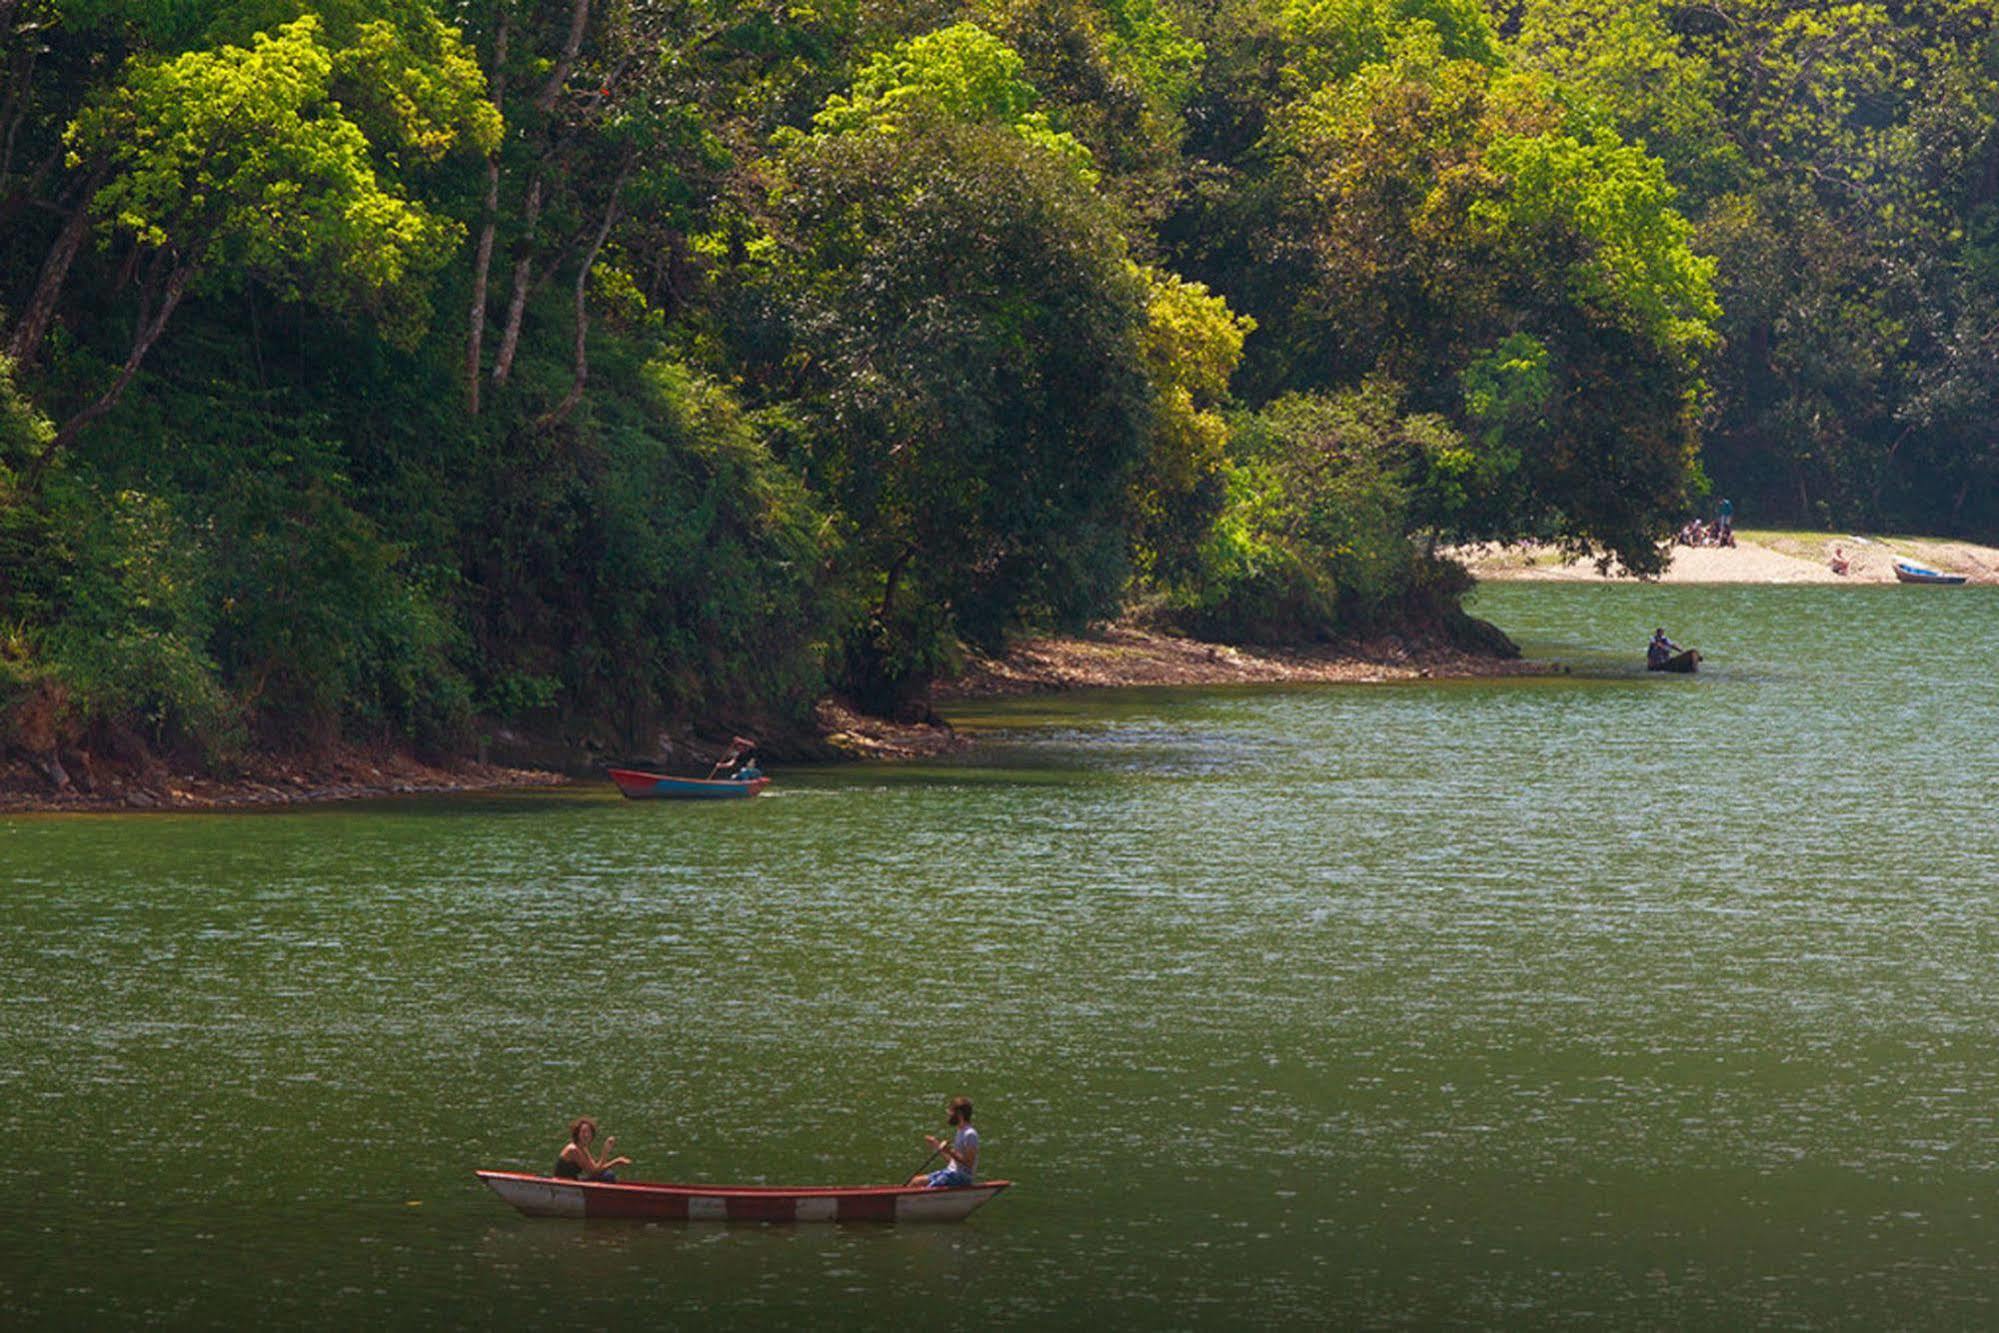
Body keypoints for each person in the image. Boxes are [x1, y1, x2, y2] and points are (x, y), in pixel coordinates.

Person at [907, 1096, 978, 1188]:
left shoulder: (970, 1134)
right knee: (916, 1182)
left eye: (951, 1112)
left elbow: (969, 1164)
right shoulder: (960, 1131)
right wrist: (937, 1145)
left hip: (961, 1177)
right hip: (951, 1172)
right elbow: (952, 1162)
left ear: (959, 1114)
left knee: (927, 1189)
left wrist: (949, 1150)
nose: (948, 1114)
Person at [553, 1116, 630, 1183]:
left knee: (607, 1175)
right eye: (583, 1132)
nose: (586, 1135)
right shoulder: (573, 1149)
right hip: (565, 1183)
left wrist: (614, 1159)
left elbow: (596, 1169)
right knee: (608, 1176)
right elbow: (593, 1172)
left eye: (589, 1132)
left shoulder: (583, 1148)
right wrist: (606, 1153)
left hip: (573, 1182)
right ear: (578, 1133)